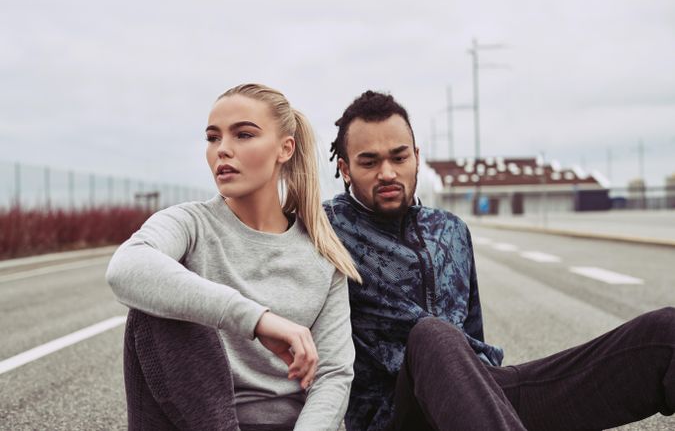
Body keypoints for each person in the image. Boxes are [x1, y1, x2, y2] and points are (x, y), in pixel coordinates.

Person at [323, 90, 675, 431]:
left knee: (664, 334)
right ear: (345, 169)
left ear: (416, 156)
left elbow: (473, 335)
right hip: (397, 414)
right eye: (369, 162)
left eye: (398, 157)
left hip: (478, 398)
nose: (387, 172)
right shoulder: (326, 229)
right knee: (432, 334)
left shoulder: (451, 230)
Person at [106, 83, 361, 431]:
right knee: (151, 306)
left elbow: (333, 375)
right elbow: (126, 268)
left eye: (243, 135)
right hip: (199, 422)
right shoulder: (190, 223)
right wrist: (257, 320)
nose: (223, 150)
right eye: (213, 138)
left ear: (285, 149)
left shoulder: (322, 253)